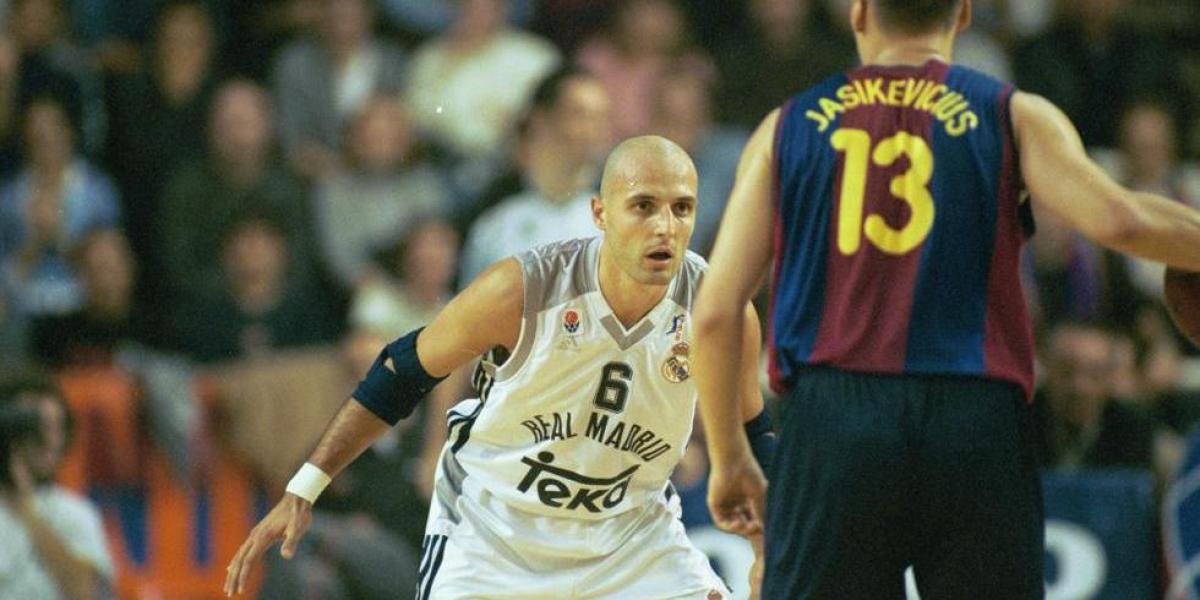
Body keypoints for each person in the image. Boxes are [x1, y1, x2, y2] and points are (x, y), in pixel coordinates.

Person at [691, 1, 1200, 599]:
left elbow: (717, 313)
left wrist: (729, 459)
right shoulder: (1010, 112)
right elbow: (1121, 220)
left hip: (835, 419)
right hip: (973, 416)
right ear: (961, 14)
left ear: (858, 13)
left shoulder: (788, 125)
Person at [224, 136, 769, 599]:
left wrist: (768, 549)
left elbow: (753, 436)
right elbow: (400, 373)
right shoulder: (522, 289)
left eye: (682, 208)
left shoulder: (719, 313)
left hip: (631, 541)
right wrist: (304, 488)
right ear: (599, 212)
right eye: (644, 205)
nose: (665, 228)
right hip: (495, 535)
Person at [0, 369, 115, 598]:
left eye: (55, 427)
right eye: (34, 427)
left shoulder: (72, 512)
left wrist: (27, 510)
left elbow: (85, 594)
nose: (47, 441)